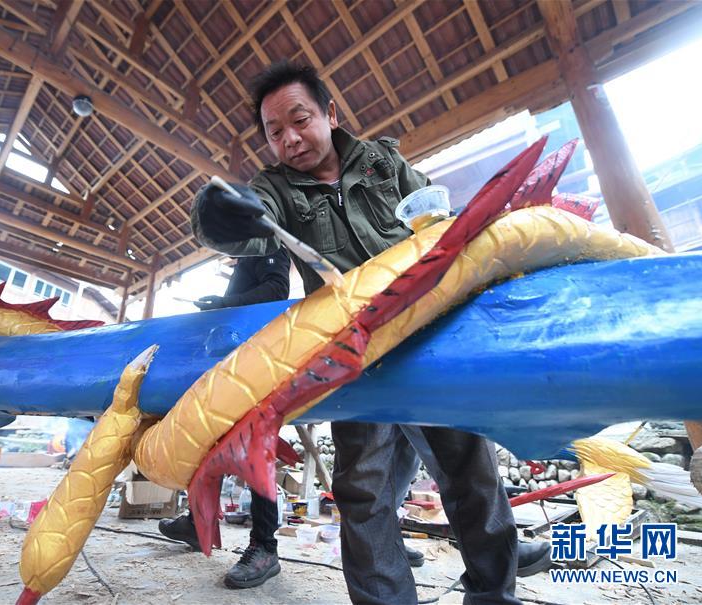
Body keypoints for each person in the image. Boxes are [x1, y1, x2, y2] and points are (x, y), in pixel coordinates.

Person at [190, 60, 525, 604]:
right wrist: (218, 215)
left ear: (329, 113)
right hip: (351, 356)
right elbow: (248, 232)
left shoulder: (383, 162)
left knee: (472, 476)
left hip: (427, 339)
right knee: (363, 491)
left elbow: (437, 218)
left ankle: (494, 595)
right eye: (275, 132)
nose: (289, 138)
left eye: (300, 120)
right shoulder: (275, 188)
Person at [159, 247, 289, 589]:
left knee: (257, 450)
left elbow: (277, 289)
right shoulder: (246, 258)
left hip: (257, 364)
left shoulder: (269, 244)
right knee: (208, 442)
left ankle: (265, 547)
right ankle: (196, 522)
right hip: (232, 363)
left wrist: (224, 303)